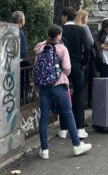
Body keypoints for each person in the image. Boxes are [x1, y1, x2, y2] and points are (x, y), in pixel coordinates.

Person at [34, 25, 92, 159]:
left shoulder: (40, 47)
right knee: (67, 113)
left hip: (43, 86)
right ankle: (77, 145)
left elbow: (36, 66)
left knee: (44, 117)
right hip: (59, 84)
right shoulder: (61, 48)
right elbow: (67, 68)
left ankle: (45, 150)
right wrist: (61, 75)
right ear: (59, 35)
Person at [60, 7, 90, 139]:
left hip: (62, 68)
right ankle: (80, 128)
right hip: (77, 66)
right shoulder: (81, 29)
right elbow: (88, 47)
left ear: (65, 16)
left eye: (62, 16)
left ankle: (63, 128)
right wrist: (83, 62)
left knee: (63, 96)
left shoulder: (60, 30)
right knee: (79, 96)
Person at [74, 9, 95, 108]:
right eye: (87, 17)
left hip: (73, 59)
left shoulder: (73, 27)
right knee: (82, 86)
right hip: (84, 59)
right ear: (83, 17)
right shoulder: (85, 27)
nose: (87, 19)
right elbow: (91, 43)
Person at [11, 11, 30, 101]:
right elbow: (22, 52)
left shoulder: (10, 30)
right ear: (22, 20)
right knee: (23, 80)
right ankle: (24, 97)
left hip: (12, 61)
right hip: (20, 62)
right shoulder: (19, 32)